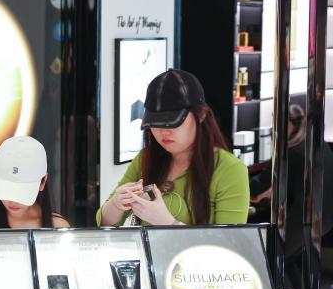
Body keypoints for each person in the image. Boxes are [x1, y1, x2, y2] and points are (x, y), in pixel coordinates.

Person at [99, 69, 249, 226]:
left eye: (173, 123)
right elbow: (104, 224)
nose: (163, 132)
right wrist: (116, 204)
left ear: (201, 115)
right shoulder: (146, 158)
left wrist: (167, 222)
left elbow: (230, 240)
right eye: (156, 123)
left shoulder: (229, 169)